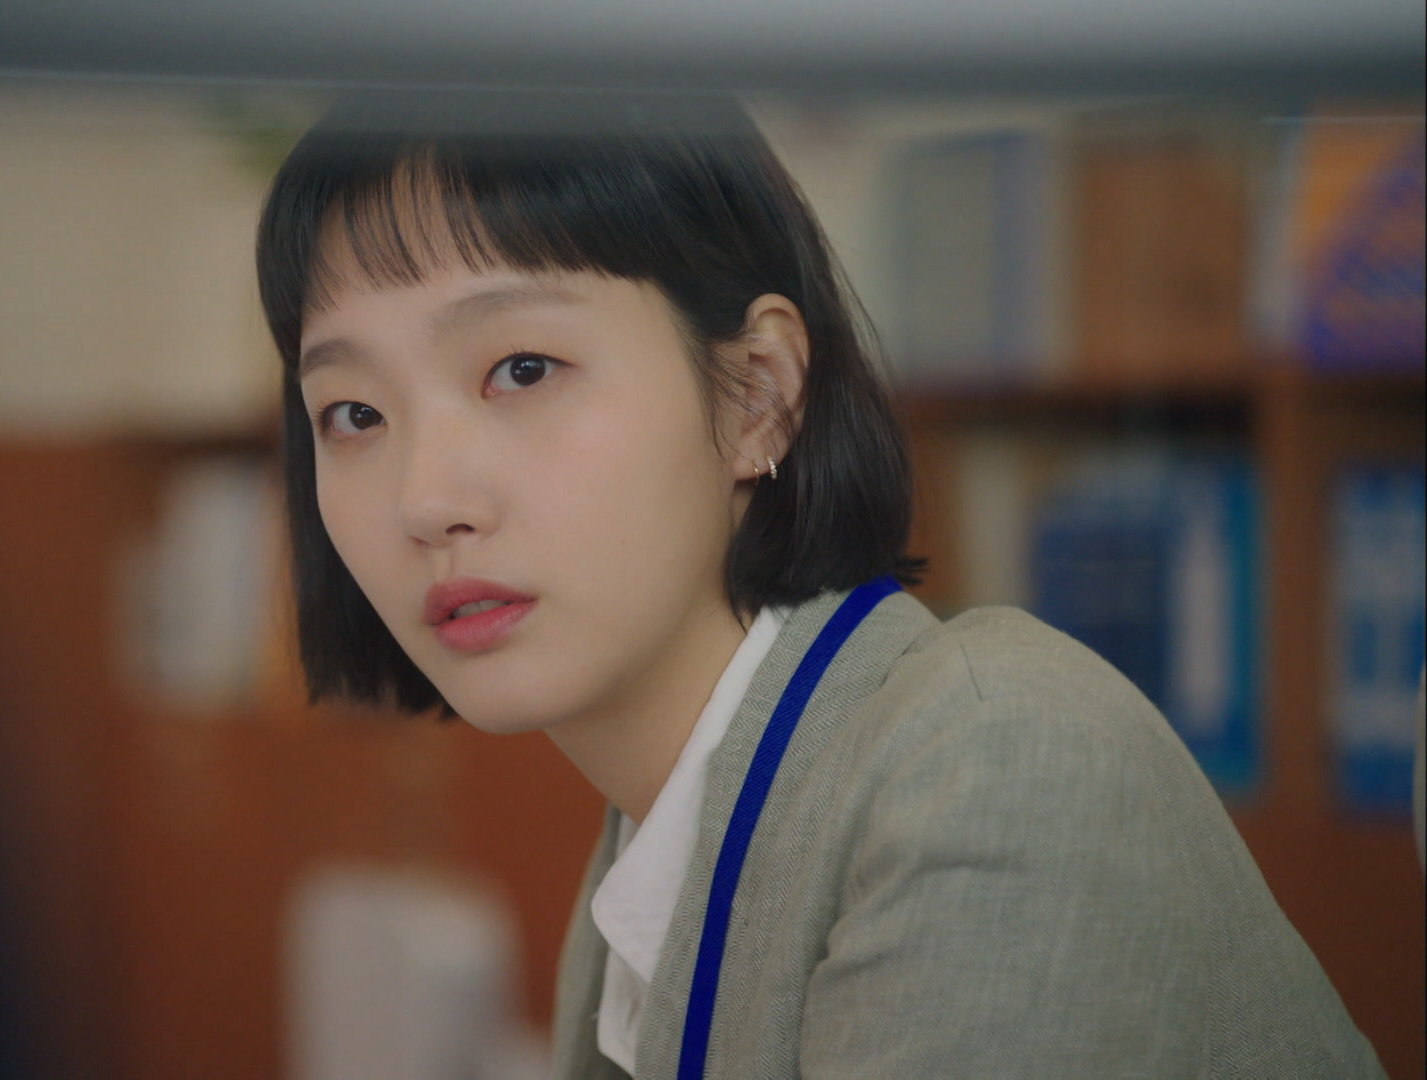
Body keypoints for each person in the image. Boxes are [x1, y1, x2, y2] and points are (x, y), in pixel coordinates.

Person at [253, 91, 1383, 1078]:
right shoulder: (648, 845)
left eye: (522, 368)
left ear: (760, 393)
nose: (424, 498)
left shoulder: (988, 763)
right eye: (353, 413)